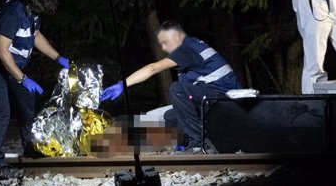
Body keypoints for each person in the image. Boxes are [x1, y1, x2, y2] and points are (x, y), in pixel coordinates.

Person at [100, 20, 242, 154]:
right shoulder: (190, 51)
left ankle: (198, 144)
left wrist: (122, 85)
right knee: (169, 116)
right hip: (213, 101)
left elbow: (153, 68)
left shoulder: (187, 48)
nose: (163, 48)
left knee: (177, 90)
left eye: (165, 42)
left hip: (226, 104)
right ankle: (186, 141)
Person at [0, 0, 69, 178]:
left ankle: (30, 146)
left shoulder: (32, 13)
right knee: (2, 110)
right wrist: (22, 79)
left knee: (27, 100)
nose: (48, 7)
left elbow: (35, 35)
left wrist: (59, 57)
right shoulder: (13, 13)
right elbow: (1, 51)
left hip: (12, 64)